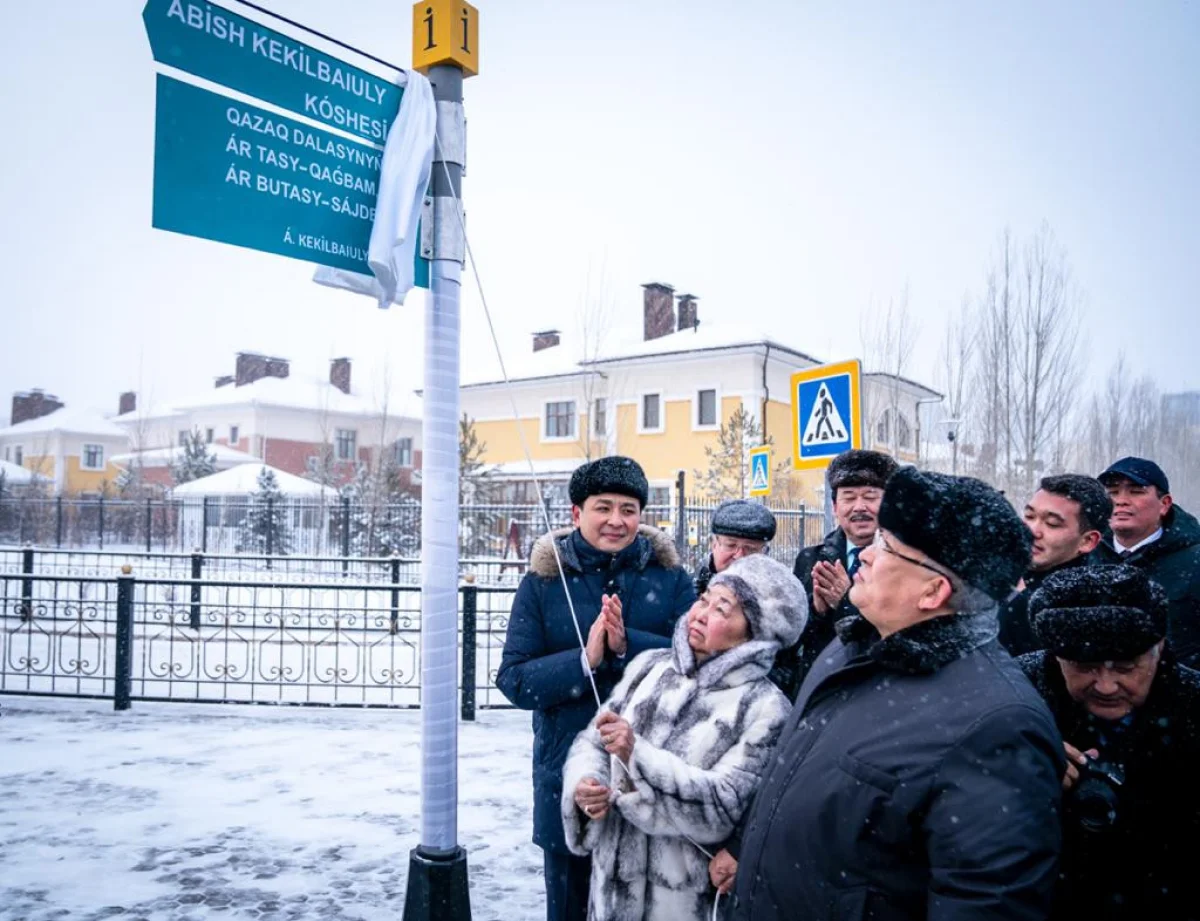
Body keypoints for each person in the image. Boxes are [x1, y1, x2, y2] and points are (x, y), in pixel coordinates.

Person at [731, 467, 1064, 921]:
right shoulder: (853, 644)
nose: (865, 554)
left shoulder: (997, 726)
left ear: (933, 591)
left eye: (887, 545)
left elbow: (985, 905)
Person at [496, 456, 695, 921]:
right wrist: (583, 661)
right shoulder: (543, 583)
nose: (616, 520)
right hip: (568, 779)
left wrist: (629, 646)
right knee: (569, 907)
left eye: (628, 509)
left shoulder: (670, 580)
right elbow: (515, 679)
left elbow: (697, 664)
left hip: (651, 775)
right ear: (575, 513)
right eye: (602, 507)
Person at [562, 554, 807, 921]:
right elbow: (593, 741)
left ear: (755, 633)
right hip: (611, 898)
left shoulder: (764, 707)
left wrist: (637, 755)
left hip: (688, 901)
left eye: (722, 609)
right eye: (705, 599)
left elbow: (724, 807)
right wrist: (587, 785)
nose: (701, 614)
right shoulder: (651, 666)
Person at [1018, 565, 1200, 920]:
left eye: (1125, 666)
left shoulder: (1193, 705)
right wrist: (1019, 771)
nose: (1105, 685)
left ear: (1159, 648)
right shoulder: (1016, 702)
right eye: (1084, 667)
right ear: (1057, 656)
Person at [780, 449, 898, 699]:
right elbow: (793, 638)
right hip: (819, 686)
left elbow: (895, 635)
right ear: (835, 506)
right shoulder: (810, 559)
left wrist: (846, 603)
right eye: (849, 498)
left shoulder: (900, 564)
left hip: (873, 690)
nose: (859, 507)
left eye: (870, 497)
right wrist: (818, 612)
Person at [1093, 456, 1200, 667]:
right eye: (1112, 492)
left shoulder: (1193, 561)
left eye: (1136, 491)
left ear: (1164, 504)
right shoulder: (1085, 552)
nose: (1121, 500)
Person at [998, 474, 1111, 655]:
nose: (1032, 531)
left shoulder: (1088, 607)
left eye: (1052, 524)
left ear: (1088, 541)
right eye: (1029, 516)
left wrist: (1018, 601)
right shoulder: (997, 572)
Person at [692, 499, 776, 595]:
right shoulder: (685, 596)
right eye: (730, 545)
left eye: (750, 548)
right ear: (713, 545)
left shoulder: (778, 600)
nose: (739, 556)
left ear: (764, 552)